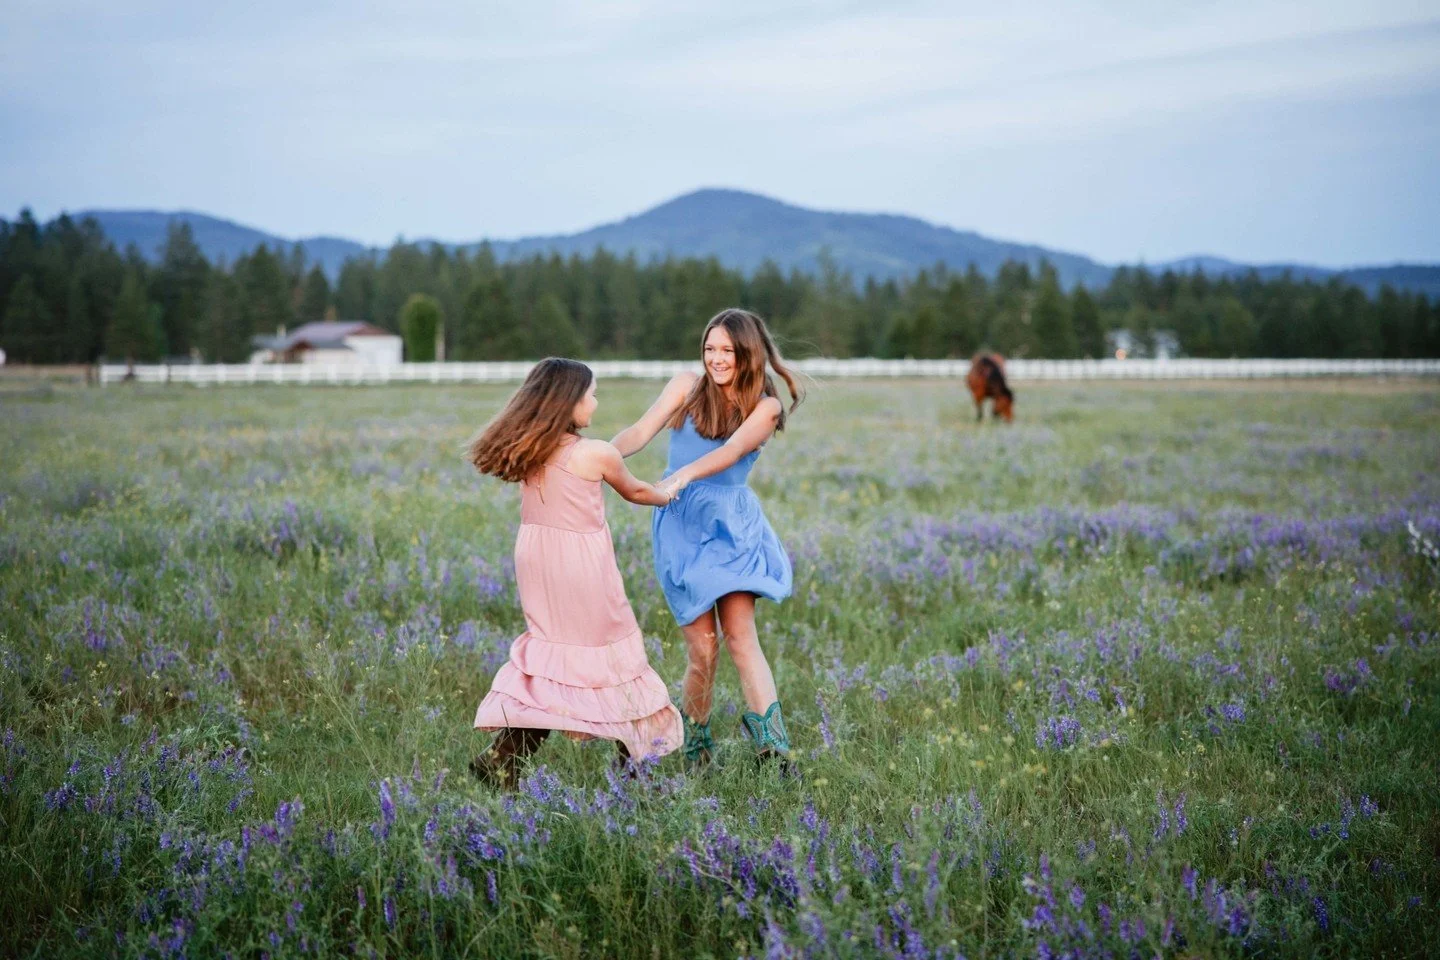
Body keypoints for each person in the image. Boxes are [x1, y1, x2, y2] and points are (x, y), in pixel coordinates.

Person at [469, 358, 682, 788]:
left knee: (554, 656)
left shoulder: (531, 447)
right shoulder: (594, 452)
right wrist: (670, 492)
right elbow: (636, 490)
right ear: (569, 401)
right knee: (615, 656)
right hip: (581, 566)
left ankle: (502, 759)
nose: (595, 403)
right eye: (591, 395)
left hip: (537, 562)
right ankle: (635, 773)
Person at [611, 309, 804, 767]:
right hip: (680, 524)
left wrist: (680, 477)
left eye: (727, 350)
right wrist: (599, 453)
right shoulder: (686, 386)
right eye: (709, 348)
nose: (716, 358)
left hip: (730, 527)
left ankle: (774, 752)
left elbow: (732, 451)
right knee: (703, 648)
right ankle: (696, 746)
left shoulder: (765, 406)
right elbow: (639, 431)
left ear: (747, 353)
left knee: (740, 637)